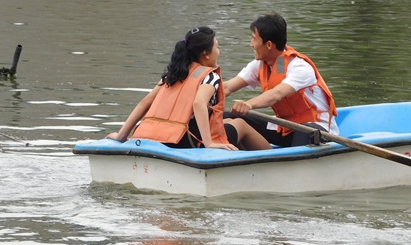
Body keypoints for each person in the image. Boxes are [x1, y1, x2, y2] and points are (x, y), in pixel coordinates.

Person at [107, 26, 271, 151]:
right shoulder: (210, 76)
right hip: (188, 141)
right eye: (217, 47)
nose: (219, 52)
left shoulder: (173, 73)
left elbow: (145, 102)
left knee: (227, 121)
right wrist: (210, 144)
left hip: (155, 135)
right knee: (240, 124)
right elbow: (199, 104)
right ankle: (272, 158)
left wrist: (121, 136)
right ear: (206, 54)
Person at [224, 13, 339, 146]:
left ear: (268, 45)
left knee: (306, 132)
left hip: (316, 128)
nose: (251, 44)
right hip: (285, 127)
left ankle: (295, 164)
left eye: (254, 39)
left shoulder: (300, 67)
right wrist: (201, 95)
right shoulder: (263, 64)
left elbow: (276, 94)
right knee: (228, 116)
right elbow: (226, 87)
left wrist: (248, 104)